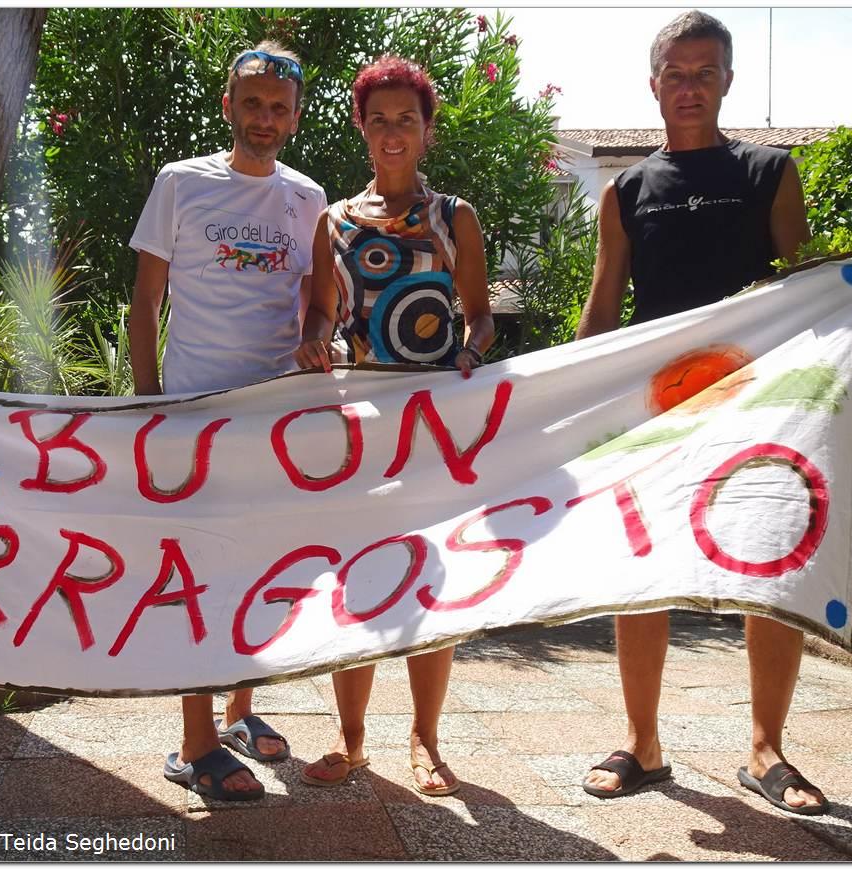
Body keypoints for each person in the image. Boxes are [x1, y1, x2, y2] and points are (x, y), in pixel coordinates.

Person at [574, 11, 827, 815]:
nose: (689, 86)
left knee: (769, 571)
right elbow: (604, 305)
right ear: (654, 86)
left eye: (704, 71)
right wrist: (562, 400)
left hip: (759, 411)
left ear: (727, 80)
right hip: (657, 414)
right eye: (675, 74)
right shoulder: (627, 189)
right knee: (640, 578)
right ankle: (644, 746)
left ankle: (766, 750)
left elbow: (807, 287)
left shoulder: (768, 171)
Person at [128, 41, 327, 802]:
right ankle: (195, 742)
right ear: (228, 107)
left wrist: (318, 334)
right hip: (194, 417)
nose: (265, 118)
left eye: (279, 107)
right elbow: (146, 300)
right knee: (200, 579)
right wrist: (150, 403)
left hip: (277, 424)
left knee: (265, 576)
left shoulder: (308, 199)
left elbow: (320, 301)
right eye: (253, 103)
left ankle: (242, 714)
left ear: (297, 117)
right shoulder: (181, 183)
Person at [293, 55, 494, 797]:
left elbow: (479, 317)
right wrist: (314, 336)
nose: (392, 132)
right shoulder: (334, 222)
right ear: (360, 126)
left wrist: (470, 352)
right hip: (357, 434)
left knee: (429, 587)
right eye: (378, 119)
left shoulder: (456, 218)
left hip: (435, 436)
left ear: (427, 129)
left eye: (406, 119)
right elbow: (323, 310)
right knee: (356, 581)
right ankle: (351, 740)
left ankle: (426, 738)